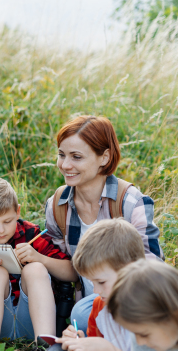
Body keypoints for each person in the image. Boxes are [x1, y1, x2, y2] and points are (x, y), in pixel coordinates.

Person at [45, 115, 163, 333]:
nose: (65, 165)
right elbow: (63, 264)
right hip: (87, 305)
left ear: (104, 157)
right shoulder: (57, 205)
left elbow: (153, 264)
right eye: (61, 155)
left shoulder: (130, 202)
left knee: (83, 314)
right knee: (80, 313)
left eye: (76, 157)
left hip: (130, 298)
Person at [12, 219, 145, 351]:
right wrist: (82, 343)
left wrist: (103, 347)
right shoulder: (100, 306)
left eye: (102, 282)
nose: (96, 291)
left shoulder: (150, 312)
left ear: (130, 270)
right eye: (92, 283)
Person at [0, 177, 76, 351]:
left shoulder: (32, 234)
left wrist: (39, 258)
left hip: (33, 320)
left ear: (18, 211)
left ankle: (44, 348)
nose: (0, 230)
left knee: (34, 269)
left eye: (7, 221)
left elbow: (72, 272)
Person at [107, 259, 178, 351]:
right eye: (133, 333)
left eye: (144, 334)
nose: (139, 342)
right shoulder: (145, 340)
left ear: (173, 316)